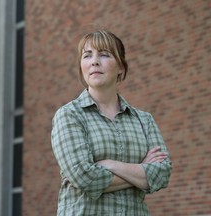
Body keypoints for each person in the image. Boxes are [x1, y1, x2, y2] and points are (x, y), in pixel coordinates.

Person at [51, 30, 172, 215]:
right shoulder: (69, 115)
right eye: (87, 55)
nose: (94, 61)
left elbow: (162, 174)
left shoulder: (144, 120)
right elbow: (85, 177)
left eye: (104, 55)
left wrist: (109, 164)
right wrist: (141, 171)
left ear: (121, 67)